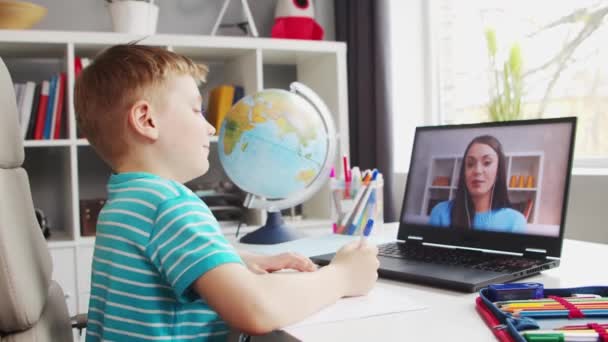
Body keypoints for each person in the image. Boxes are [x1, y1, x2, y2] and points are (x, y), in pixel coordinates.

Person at [74, 44, 379, 341]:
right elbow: (256, 310)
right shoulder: (170, 205)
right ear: (146, 120)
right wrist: (341, 276)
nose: (209, 128)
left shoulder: (123, 203)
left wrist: (235, 259)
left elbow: (155, 267)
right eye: (196, 110)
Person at [428, 135, 527, 233]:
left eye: (487, 163)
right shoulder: (441, 213)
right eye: (470, 164)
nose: (477, 171)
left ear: (498, 171)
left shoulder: (515, 221)